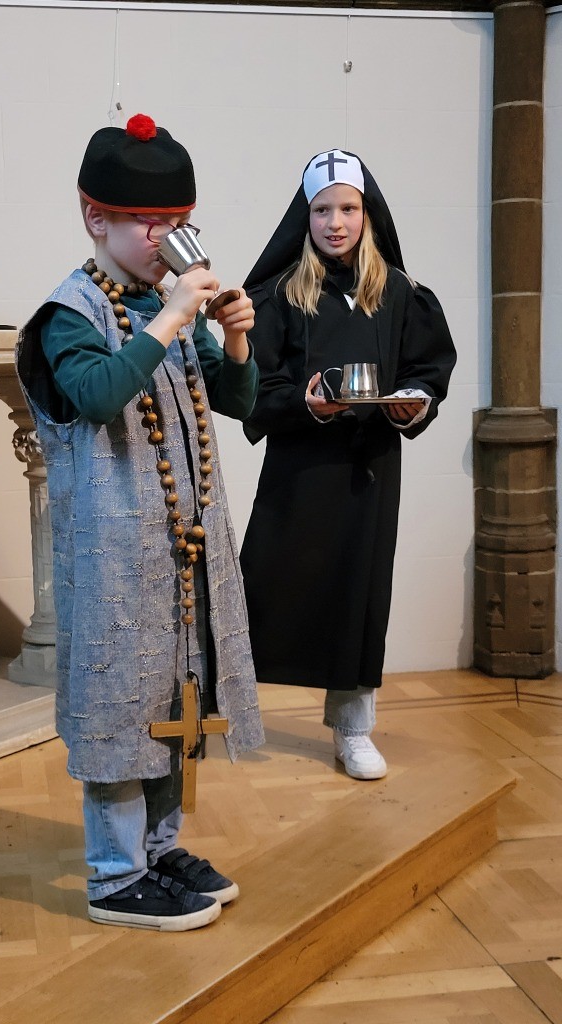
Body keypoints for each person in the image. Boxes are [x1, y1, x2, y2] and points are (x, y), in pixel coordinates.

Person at [16, 113, 265, 932]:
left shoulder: (163, 303)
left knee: (172, 700)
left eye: (179, 222)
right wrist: (173, 317)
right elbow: (96, 396)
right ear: (97, 217)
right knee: (119, 709)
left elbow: (234, 403)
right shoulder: (68, 313)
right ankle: (114, 875)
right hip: (115, 562)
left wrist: (234, 341)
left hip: (179, 554)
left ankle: (158, 852)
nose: (167, 240)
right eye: (150, 223)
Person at [240, 149, 456, 782]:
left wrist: (413, 403)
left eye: (348, 209)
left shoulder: (400, 294)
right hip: (300, 468)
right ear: (303, 218)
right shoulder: (280, 296)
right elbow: (252, 385)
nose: (335, 223)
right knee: (263, 586)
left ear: (368, 214)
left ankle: (353, 728)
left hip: (369, 468)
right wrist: (303, 403)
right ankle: (215, 706)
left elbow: (426, 372)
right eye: (322, 210)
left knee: (359, 596)